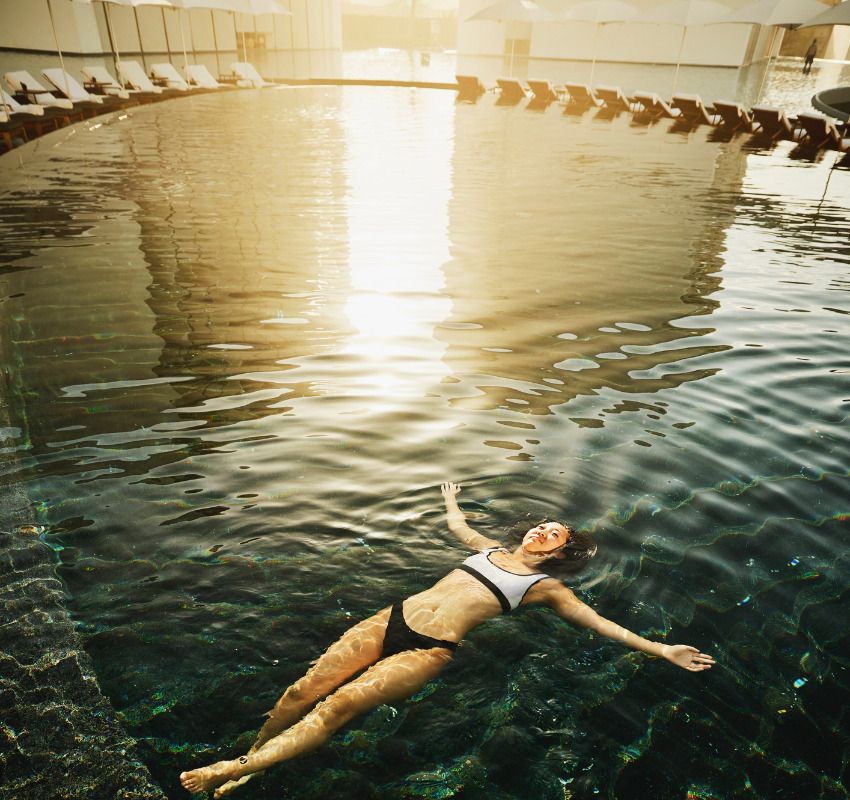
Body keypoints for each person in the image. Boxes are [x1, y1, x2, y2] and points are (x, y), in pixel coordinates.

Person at [180, 482, 714, 796]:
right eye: (541, 524)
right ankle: (254, 758)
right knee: (302, 692)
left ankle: (232, 770)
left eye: (552, 532)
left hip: (428, 649)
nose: (540, 529)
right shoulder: (488, 551)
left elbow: (603, 625)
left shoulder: (544, 588)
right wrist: (452, 503)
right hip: (389, 618)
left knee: (337, 707)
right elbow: (461, 531)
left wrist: (661, 648)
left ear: (560, 552)